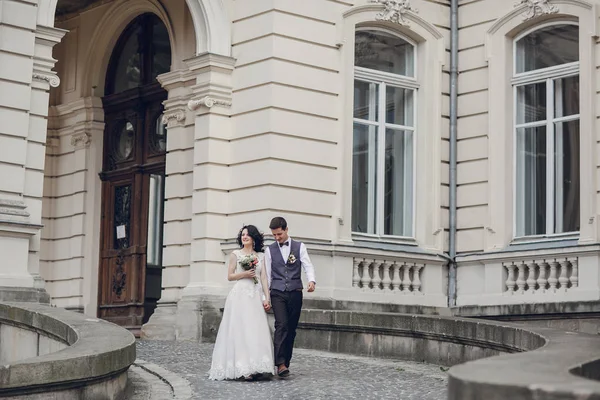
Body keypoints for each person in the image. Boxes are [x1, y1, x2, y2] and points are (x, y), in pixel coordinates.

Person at [208, 225, 275, 381]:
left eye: (248, 235)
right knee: (240, 329)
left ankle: (257, 365)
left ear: (253, 238)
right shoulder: (235, 254)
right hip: (240, 296)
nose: (244, 237)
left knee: (255, 329)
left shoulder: (261, 256)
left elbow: (264, 278)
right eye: (243, 235)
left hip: (255, 295)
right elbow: (230, 276)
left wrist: (267, 297)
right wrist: (244, 273)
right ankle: (243, 367)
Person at [264, 216, 316, 377]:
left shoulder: (299, 247)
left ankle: (286, 362)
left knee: (291, 329)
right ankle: (279, 363)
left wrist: (311, 281)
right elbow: (266, 275)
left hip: (295, 292)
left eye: (279, 234)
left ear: (286, 230)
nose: (277, 238)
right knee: (281, 325)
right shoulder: (269, 250)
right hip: (277, 292)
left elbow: (307, 265)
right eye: (274, 235)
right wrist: (265, 297)